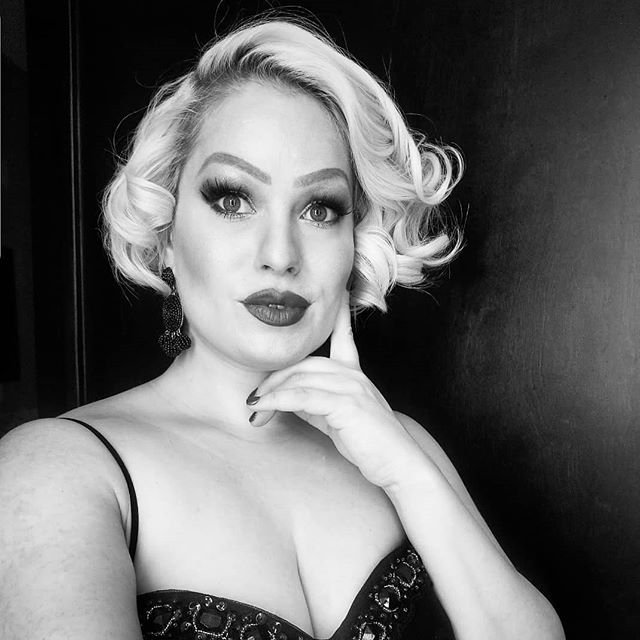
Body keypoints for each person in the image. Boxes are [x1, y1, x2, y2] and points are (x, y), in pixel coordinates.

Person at [0, 17, 564, 640]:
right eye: (233, 200)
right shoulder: (57, 467)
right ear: (165, 233)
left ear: (355, 242)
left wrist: (409, 475)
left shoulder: (400, 444)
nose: (281, 254)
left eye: (320, 209)